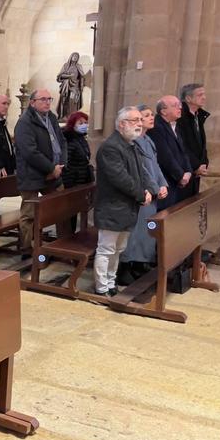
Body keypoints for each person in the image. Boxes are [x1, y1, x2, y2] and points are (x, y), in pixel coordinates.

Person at [93, 106, 153, 297]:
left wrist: (147, 190)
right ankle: (102, 287)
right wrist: (141, 195)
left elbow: (139, 173)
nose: (139, 124)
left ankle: (111, 282)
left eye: (139, 120)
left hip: (125, 207)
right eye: (134, 120)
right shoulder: (111, 147)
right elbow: (121, 178)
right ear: (122, 124)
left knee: (118, 249)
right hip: (112, 207)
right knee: (106, 249)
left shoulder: (131, 145)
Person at [14, 88, 70, 257]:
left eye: (49, 99)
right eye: (43, 99)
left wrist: (61, 164)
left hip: (54, 172)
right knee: (29, 213)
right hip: (32, 174)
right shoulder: (25, 122)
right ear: (32, 102)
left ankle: (64, 244)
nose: (47, 102)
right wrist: (50, 168)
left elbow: (61, 142)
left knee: (61, 208)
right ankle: (25, 247)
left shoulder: (51, 117)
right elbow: (30, 152)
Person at [118, 105, 170, 285]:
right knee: (135, 233)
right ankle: (126, 266)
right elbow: (143, 170)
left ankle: (141, 262)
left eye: (150, 115)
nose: (150, 118)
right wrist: (155, 188)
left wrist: (163, 184)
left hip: (153, 194)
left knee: (146, 233)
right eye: (145, 116)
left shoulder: (148, 140)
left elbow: (155, 166)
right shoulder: (134, 142)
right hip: (144, 193)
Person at [146, 95, 191, 207]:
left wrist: (188, 171)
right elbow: (165, 156)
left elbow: (183, 152)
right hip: (166, 180)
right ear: (164, 111)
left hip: (177, 180)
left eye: (179, 105)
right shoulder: (156, 127)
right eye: (175, 105)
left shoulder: (175, 126)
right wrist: (180, 176)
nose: (180, 108)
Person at [178, 83, 210, 198]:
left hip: (196, 172)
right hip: (184, 171)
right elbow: (182, 145)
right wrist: (196, 166)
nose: (204, 97)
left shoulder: (199, 116)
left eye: (204, 94)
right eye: (200, 95)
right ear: (188, 98)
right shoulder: (180, 117)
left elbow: (201, 144)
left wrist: (204, 163)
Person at [56, 52, 85, 119]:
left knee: (72, 102)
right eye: (74, 56)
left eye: (77, 57)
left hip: (75, 87)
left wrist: (81, 86)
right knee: (64, 100)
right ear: (71, 57)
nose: (75, 57)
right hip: (65, 86)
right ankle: (63, 116)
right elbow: (60, 76)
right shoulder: (66, 65)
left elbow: (82, 77)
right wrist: (69, 76)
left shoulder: (79, 66)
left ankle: (71, 117)